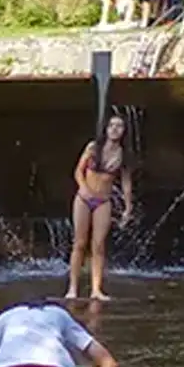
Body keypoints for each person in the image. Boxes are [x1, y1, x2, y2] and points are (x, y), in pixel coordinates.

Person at [67, 114, 134, 302]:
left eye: (119, 126)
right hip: (84, 198)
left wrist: (128, 208)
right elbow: (78, 171)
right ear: (105, 128)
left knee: (98, 245)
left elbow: (126, 183)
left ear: (124, 131)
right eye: (111, 125)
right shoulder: (93, 147)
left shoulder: (124, 155)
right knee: (79, 243)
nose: (114, 129)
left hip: (103, 201)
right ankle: (72, 287)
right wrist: (83, 188)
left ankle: (96, 289)